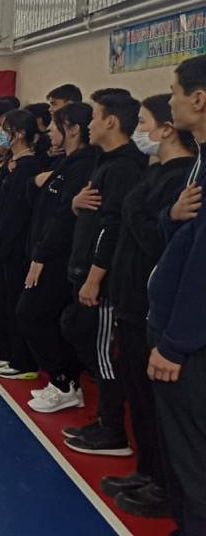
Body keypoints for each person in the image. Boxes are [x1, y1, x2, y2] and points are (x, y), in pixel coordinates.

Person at [103, 95, 195, 519]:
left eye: (143, 123)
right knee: (139, 395)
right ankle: (148, 470)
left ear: (166, 129)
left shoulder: (182, 178)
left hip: (148, 300)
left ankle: (165, 485)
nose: (138, 131)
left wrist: (155, 215)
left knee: (160, 405)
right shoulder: (154, 172)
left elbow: (154, 236)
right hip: (130, 295)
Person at [61, 89, 145, 456]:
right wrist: (76, 204)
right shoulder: (105, 162)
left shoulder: (125, 167)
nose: (90, 125)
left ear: (110, 121)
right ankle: (104, 419)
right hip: (83, 266)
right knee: (77, 330)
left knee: (104, 352)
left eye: (94, 118)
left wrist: (95, 277)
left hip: (103, 279)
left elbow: (113, 227)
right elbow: (92, 211)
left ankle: (113, 431)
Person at [148, 55, 206, 536]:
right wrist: (170, 218)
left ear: (199, 99)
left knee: (194, 459)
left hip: (190, 346)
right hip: (178, 332)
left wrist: (176, 342)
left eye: (174, 91)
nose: (171, 101)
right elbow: (185, 240)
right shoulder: (201, 166)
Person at [19, 103, 97, 411]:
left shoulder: (85, 166)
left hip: (60, 257)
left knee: (31, 313)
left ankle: (64, 380)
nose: (49, 131)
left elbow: (65, 217)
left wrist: (42, 255)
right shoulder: (66, 162)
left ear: (73, 129)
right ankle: (64, 382)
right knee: (43, 315)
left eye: (55, 125)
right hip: (45, 250)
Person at [0, 110, 43, 380]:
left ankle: (22, 360)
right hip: (2, 241)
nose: (0, 135)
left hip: (16, 246)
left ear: (18, 134)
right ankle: (7, 352)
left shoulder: (30, 166)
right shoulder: (11, 164)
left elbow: (21, 209)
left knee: (13, 301)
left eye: (5, 130)